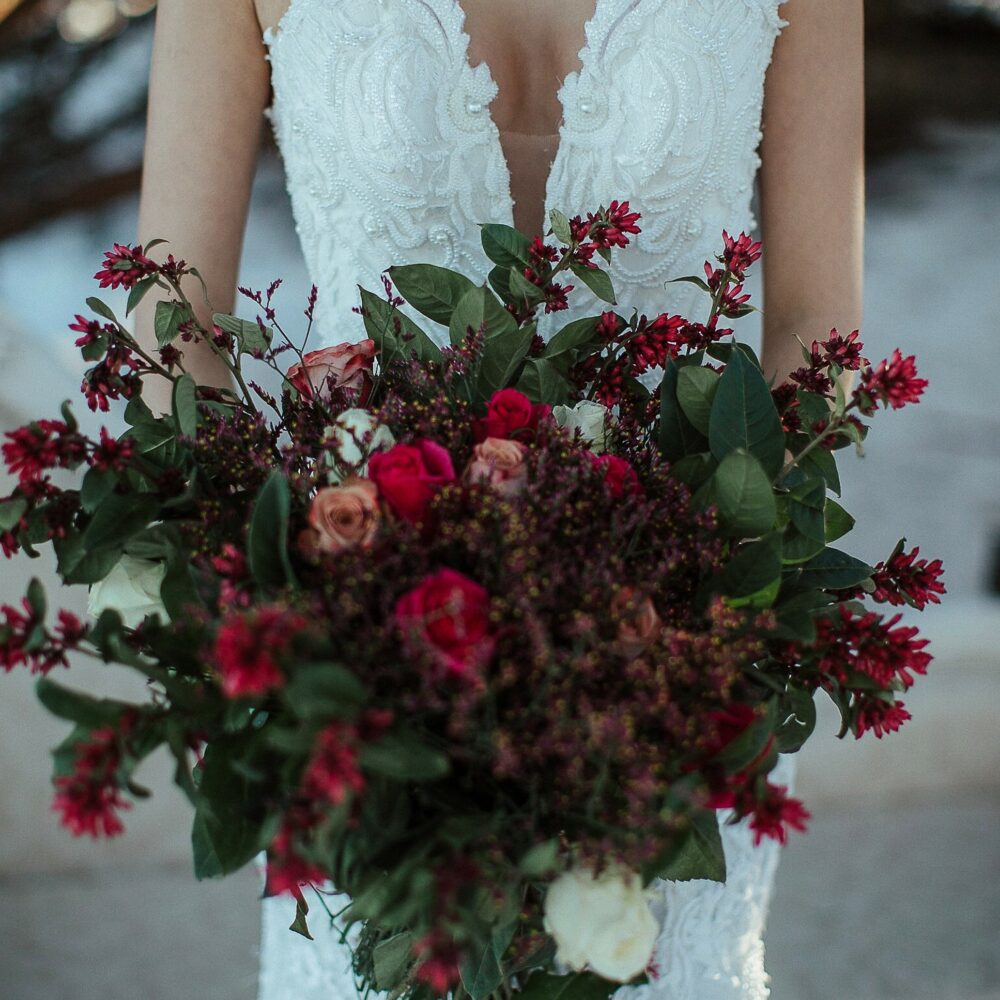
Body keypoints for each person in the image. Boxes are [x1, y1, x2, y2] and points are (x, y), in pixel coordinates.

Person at [136, 1, 864, 997]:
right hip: (362, 664)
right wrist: (275, 605)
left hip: (679, 668)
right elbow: (172, 315)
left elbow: (816, 321)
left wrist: (719, 613)